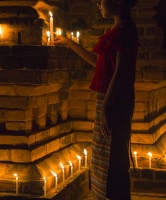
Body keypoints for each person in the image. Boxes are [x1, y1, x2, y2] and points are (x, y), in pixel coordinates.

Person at [53, 0, 139, 199]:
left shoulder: (125, 31)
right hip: (108, 100)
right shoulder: (117, 29)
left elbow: (120, 71)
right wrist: (69, 42)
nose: (98, 4)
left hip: (115, 101)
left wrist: (106, 107)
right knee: (103, 157)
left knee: (114, 160)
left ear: (117, 2)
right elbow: (98, 62)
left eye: (102, 0)